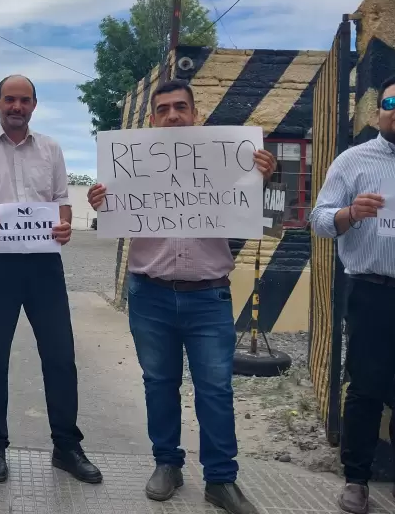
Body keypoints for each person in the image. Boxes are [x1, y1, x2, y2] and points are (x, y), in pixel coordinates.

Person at [87, 79, 276, 514]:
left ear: (195, 114)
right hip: (149, 293)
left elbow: (263, 216)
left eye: (181, 108)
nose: (172, 116)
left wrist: (264, 177)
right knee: (159, 384)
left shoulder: (231, 162)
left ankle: (221, 480)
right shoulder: (130, 166)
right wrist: (101, 202)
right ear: (152, 119)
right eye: (164, 109)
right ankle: (167, 464)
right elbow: (114, 214)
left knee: (215, 389)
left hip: (209, 296)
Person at [0, 74, 101, 485]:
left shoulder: (51, 148)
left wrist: (65, 226)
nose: (17, 107)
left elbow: (60, 202)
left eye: (25, 100)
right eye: (10, 100)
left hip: (43, 265)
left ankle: (66, 446)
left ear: (35, 105)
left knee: (59, 356)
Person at [310, 74, 395, 514]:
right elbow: (318, 219)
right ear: (378, 113)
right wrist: (351, 213)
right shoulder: (354, 161)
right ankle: (356, 480)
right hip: (374, 293)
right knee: (367, 390)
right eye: (392, 100)